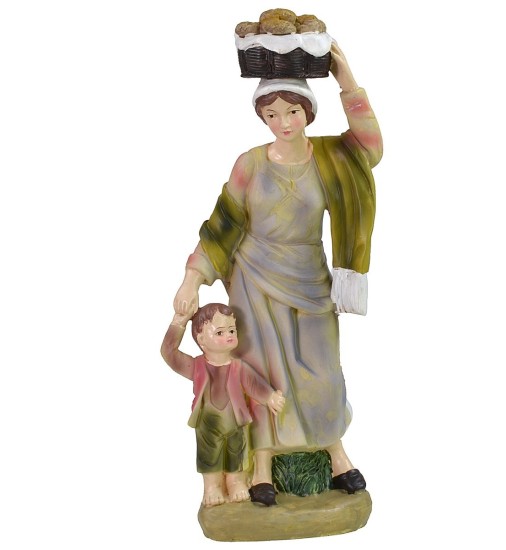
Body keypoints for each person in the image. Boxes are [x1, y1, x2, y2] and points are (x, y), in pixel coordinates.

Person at [172, 42, 383, 506]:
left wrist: (346, 79)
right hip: (253, 278)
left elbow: (371, 148)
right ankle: (263, 467)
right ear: (261, 117)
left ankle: (336, 454)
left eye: (292, 111)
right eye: (272, 114)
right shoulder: (249, 163)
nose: (283, 123)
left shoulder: (332, 157)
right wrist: (192, 277)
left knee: (323, 370)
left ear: (307, 111)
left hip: (309, 277)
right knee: (262, 372)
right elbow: (222, 225)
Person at [160, 303, 286, 507]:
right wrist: (178, 323)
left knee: (237, 452)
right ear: (201, 339)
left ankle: (236, 483)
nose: (228, 335)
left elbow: (254, 385)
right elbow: (169, 352)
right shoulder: (196, 366)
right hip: (207, 422)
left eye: (231, 330)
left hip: (235, 420)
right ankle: (212, 487)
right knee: (209, 455)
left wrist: (270, 397)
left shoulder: (238, 367)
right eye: (220, 332)